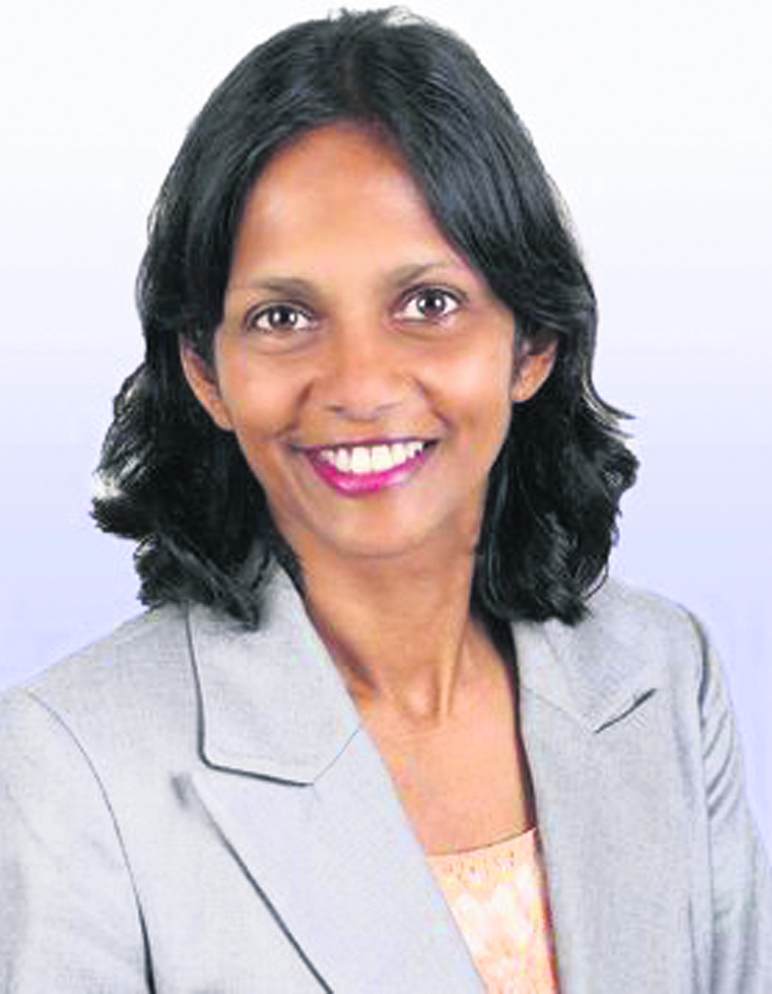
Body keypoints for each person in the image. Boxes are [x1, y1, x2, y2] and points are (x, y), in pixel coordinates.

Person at [1, 7, 769, 991]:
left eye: (428, 304)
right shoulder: (74, 762)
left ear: (532, 343)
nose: (360, 386)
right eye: (284, 316)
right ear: (205, 369)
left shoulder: (664, 672)